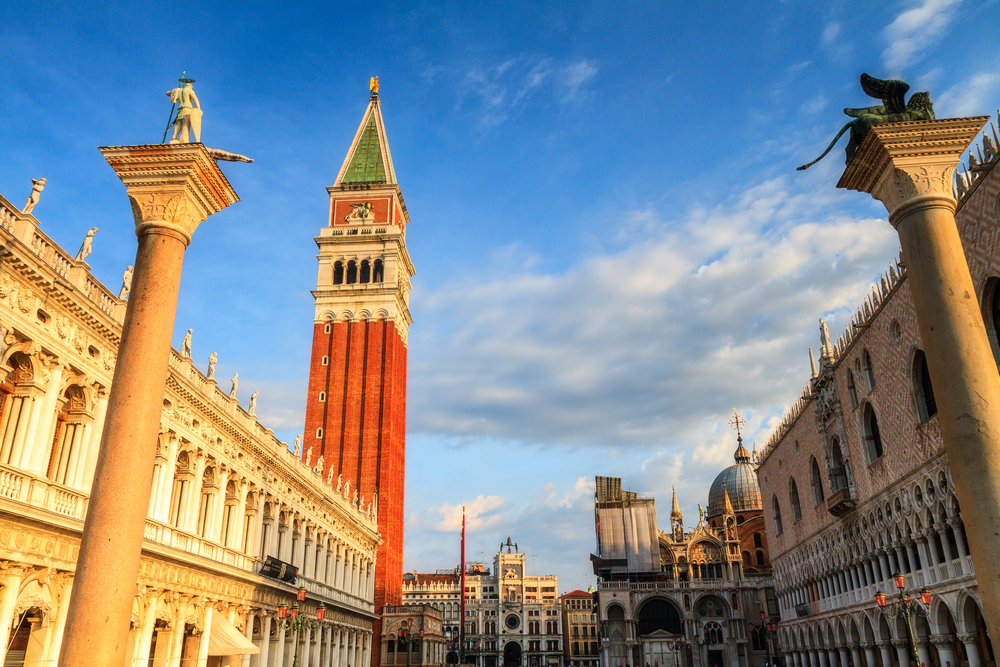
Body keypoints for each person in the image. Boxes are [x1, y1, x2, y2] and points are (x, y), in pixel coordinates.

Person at [166, 79, 202, 144]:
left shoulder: (177, 90)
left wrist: (171, 92)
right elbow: (195, 99)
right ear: (190, 86)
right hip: (188, 109)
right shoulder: (190, 91)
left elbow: (167, 93)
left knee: (178, 124)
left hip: (180, 109)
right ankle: (183, 139)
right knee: (185, 124)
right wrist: (199, 109)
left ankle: (174, 136)